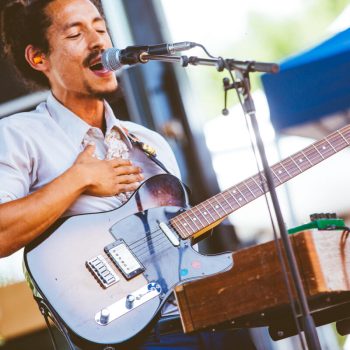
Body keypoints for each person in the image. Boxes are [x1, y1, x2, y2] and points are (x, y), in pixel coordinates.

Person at [0, 1, 256, 349]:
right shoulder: (19, 135)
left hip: (182, 321)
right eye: (76, 33)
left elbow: (174, 247)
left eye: (101, 28)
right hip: (107, 331)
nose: (99, 42)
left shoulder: (150, 143)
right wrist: (77, 180)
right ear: (39, 58)